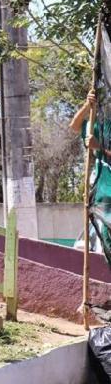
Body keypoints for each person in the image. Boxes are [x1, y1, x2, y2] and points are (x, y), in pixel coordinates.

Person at [70, 89, 111, 259]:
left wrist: (99, 147)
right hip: (102, 195)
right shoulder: (99, 126)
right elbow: (75, 125)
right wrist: (88, 105)